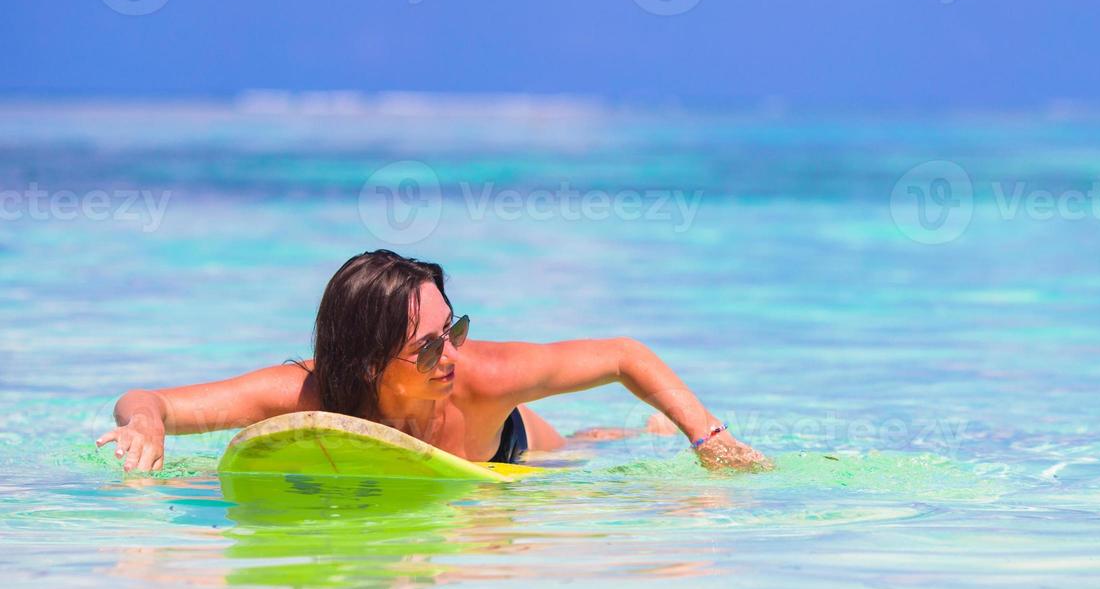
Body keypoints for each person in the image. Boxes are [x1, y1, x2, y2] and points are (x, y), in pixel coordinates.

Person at [96, 249, 771, 474]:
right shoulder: (310, 394)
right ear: (364, 363)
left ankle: (629, 435)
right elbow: (148, 400)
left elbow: (624, 356)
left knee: (575, 451)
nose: (451, 354)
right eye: (427, 344)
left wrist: (706, 438)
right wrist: (148, 428)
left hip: (505, 443)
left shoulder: (483, 376)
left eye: (455, 329)